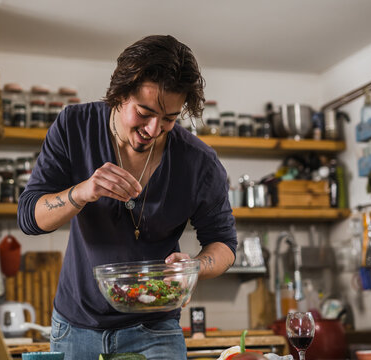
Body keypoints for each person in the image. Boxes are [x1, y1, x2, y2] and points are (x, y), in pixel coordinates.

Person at [18, 34, 237, 360]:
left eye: (169, 118)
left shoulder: (198, 161)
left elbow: (223, 245)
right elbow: (30, 218)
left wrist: (193, 267)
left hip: (155, 332)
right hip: (75, 327)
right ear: (119, 94)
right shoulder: (74, 126)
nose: (154, 129)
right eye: (144, 112)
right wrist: (83, 192)